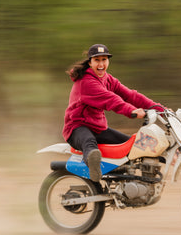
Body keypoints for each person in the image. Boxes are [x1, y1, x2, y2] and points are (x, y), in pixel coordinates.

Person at [62, 44, 165, 182]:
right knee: (89, 143)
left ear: (108, 61)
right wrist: (131, 110)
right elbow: (111, 100)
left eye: (104, 59)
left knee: (132, 145)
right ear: (90, 62)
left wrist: (161, 110)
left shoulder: (108, 79)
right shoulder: (86, 82)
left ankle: (128, 183)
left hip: (98, 128)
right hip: (77, 127)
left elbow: (131, 95)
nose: (101, 64)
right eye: (97, 60)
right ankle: (93, 168)